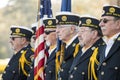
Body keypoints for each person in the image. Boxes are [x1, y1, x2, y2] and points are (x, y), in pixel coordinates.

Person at [68, 15, 103, 80]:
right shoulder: (80, 49)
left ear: (94, 33)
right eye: (78, 31)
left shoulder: (101, 51)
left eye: (82, 31)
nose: (78, 35)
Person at [98, 5, 120, 80]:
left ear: (118, 24)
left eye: (105, 21)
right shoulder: (104, 45)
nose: (100, 24)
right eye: (100, 21)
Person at [56, 12, 80, 80]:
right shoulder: (64, 46)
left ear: (72, 29)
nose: (57, 31)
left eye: (60, 27)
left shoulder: (79, 46)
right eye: (57, 27)